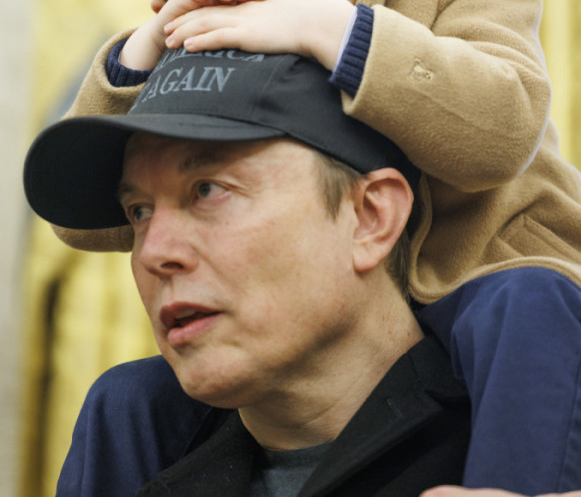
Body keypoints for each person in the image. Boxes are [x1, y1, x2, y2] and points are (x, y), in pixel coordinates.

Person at [49, 0, 581, 492]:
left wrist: (337, 31)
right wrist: (136, 59)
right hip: (351, 333)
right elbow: (86, 216)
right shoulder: (222, 44)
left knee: (524, 308)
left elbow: (503, 131)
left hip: (499, 282)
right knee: (129, 393)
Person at [25, 48, 471, 496]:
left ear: (369, 217)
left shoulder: (504, 453)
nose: (153, 253)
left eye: (207, 190)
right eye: (139, 211)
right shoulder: (134, 444)